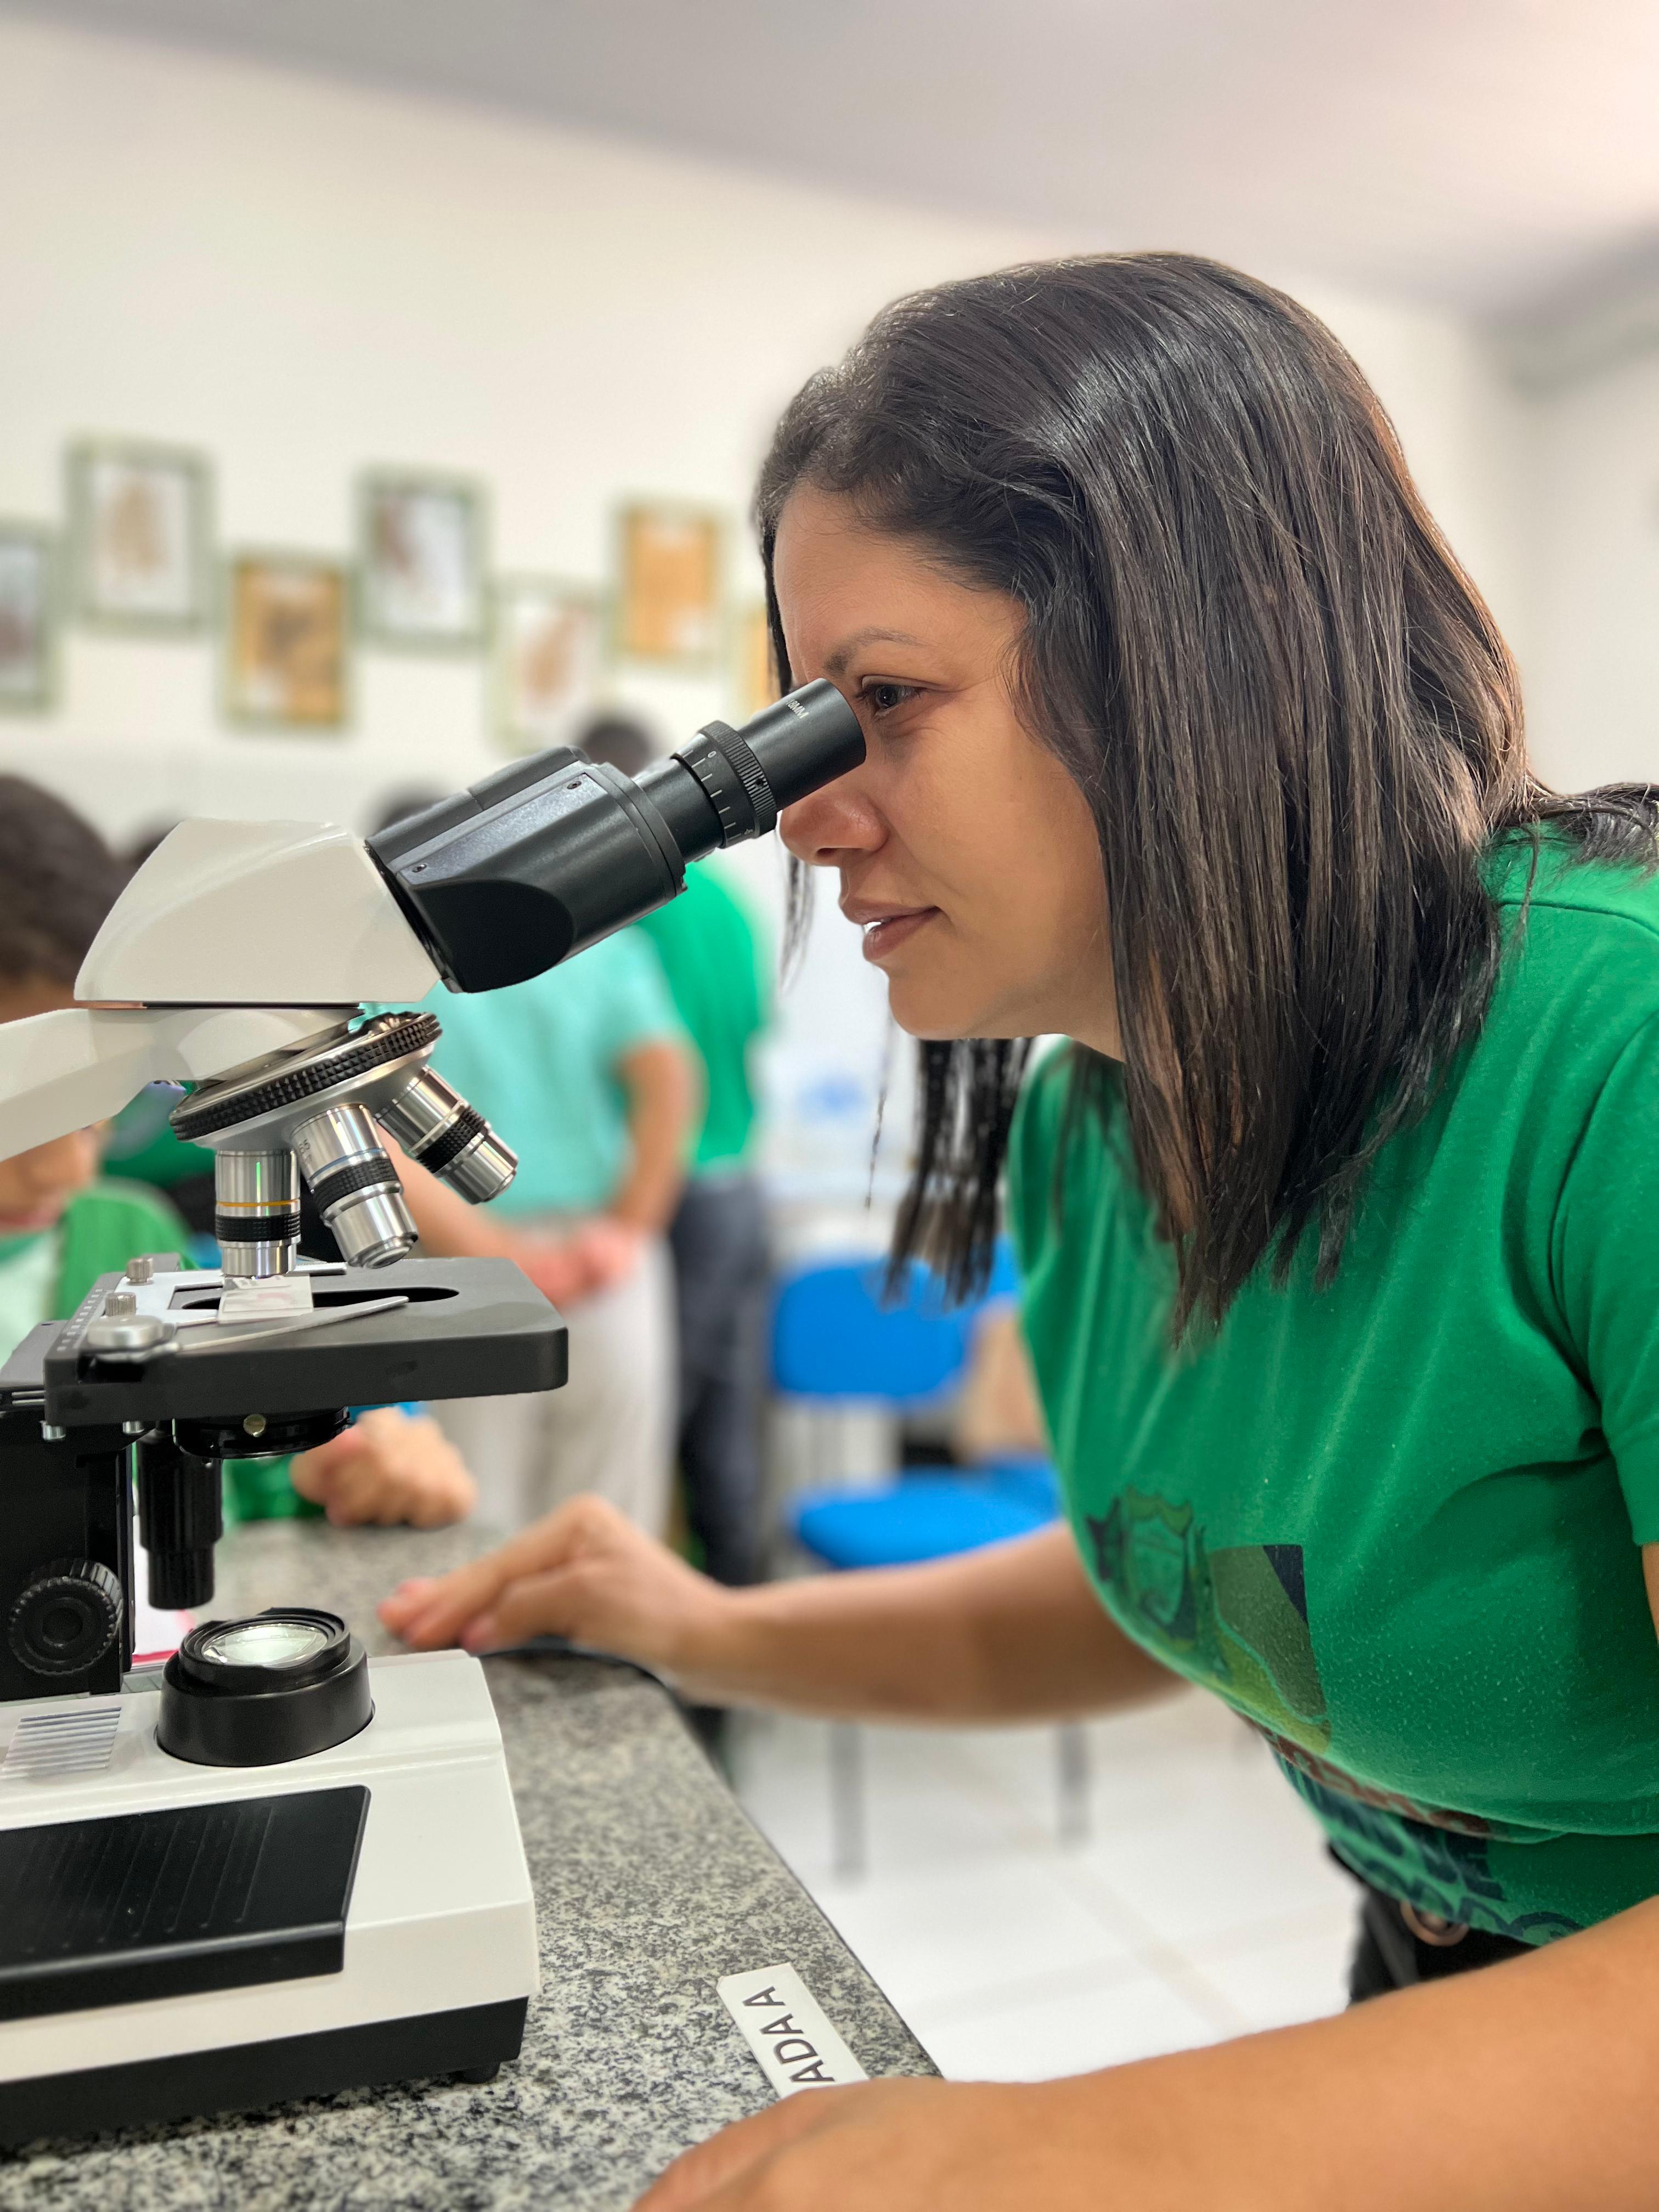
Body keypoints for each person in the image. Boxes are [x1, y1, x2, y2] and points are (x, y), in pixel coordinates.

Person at [381, 251, 1659, 2208]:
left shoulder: (1612, 1058)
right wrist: (705, 1626)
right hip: (1438, 2000)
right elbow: (1191, 1584)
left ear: (1211, 646)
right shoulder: (1093, 1120)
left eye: (880, 705)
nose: (804, 819)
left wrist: (1053, 2149)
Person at [0, 775, 474, 1531]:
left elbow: (245, 1469)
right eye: (29, 1117)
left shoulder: (132, 1243)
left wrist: (349, 1471)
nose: (67, 1169)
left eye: (93, 1115)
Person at [392, 921, 695, 1538]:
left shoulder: (388, 964)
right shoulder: (596, 938)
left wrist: (496, 1254)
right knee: (609, 1510)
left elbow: (368, 1127)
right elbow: (669, 1079)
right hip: (596, 1255)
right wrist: (626, 1230)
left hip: (464, 1259)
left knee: (474, 1504)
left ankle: (488, 1638)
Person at [578, 714, 774, 1588]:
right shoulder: (728, 903)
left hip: (670, 1197)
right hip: (742, 1191)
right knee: (727, 1432)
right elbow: (753, 1030)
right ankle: (737, 1643)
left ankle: (677, 1657)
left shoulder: (625, 904)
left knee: (651, 1434)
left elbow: (646, 1067)